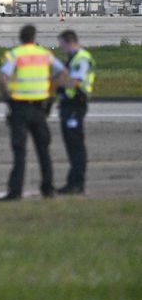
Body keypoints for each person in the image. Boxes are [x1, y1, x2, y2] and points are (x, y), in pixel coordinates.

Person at [0, 24, 66, 201]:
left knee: (19, 152)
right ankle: (48, 189)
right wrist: (51, 94)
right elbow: (62, 73)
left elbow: (2, 77)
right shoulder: (45, 54)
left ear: (20, 38)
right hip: (39, 108)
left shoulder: (14, 55)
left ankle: (15, 192)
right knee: (43, 150)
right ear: (34, 38)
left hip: (19, 107)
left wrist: (8, 98)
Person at [56, 30, 95, 195]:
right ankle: (73, 182)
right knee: (71, 145)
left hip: (75, 105)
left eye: (61, 44)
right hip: (68, 105)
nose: (61, 47)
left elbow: (74, 82)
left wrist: (58, 82)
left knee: (76, 144)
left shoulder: (81, 58)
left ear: (68, 42)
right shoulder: (72, 59)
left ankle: (77, 183)